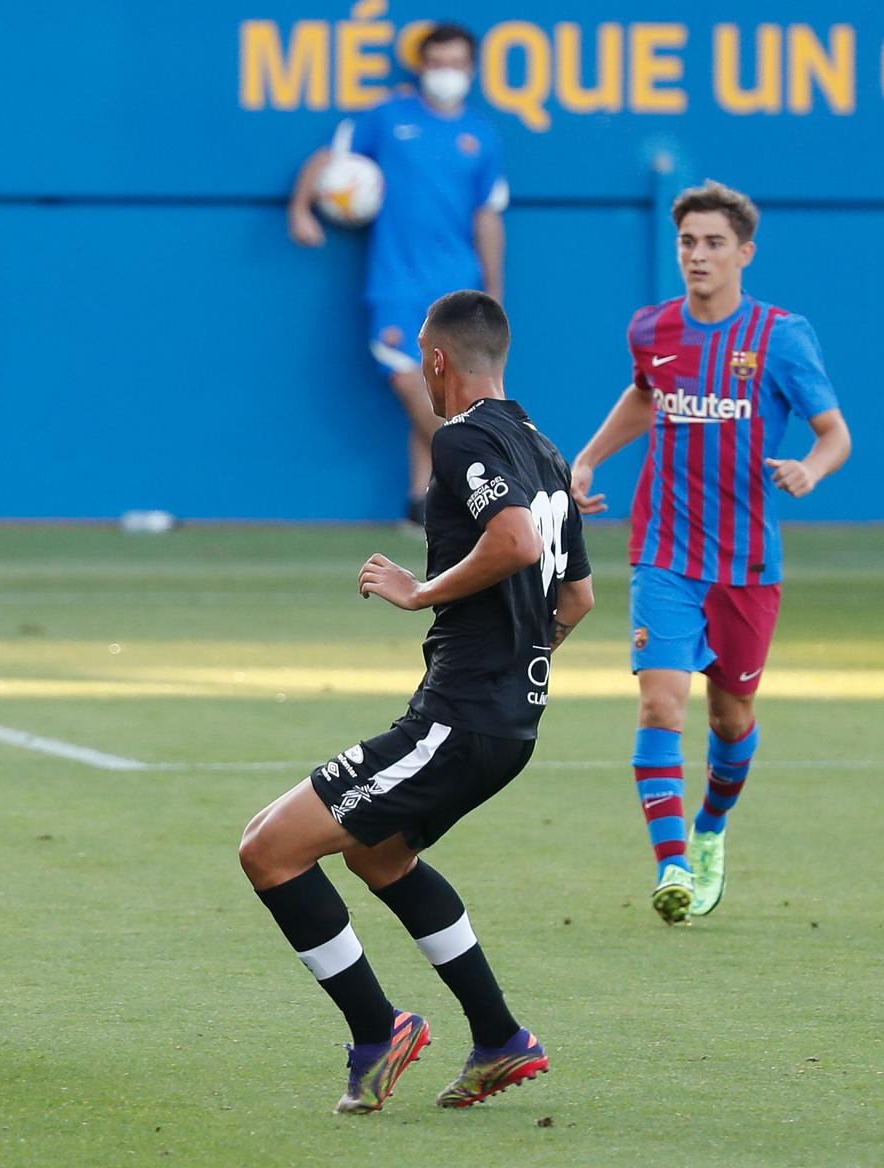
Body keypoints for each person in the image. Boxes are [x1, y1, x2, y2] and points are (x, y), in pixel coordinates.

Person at [238, 291, 593, 1113]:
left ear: (437, 359)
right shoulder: (542, 451)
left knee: (268, 849)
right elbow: (573, 602)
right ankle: (501, 1038)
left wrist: (419, 591)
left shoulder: (463, 438)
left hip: (459, 719)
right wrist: (518, 666)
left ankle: (377, 1028)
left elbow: (514, 542)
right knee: (377, 855)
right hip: (506, 723)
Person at [568, 181, 851, 924]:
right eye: (688, 242)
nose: (697, 255)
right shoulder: (654, 329)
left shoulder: (781, 337)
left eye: (713, 243)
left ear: (744, 254)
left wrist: (809, 470)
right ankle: (672, 865)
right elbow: (644, 394)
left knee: (731, 718)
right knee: (661, 702)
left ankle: (711, 829)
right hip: (664, 552)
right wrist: (590, 458)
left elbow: (835, 433)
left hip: (748, 566)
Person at [287, 22, 508, 527]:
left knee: (445, 391)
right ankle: (484, 481)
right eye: (438, 63)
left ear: (470, 70)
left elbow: (488, 215)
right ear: (422, 67)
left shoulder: (480, 136)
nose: (446, 74)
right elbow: (329, 156)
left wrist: (493, 288)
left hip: (458, 283)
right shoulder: (387, 117)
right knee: (409, 384)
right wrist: (301, 207)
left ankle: (422, 503)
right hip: (396, 284)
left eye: (456, 64)